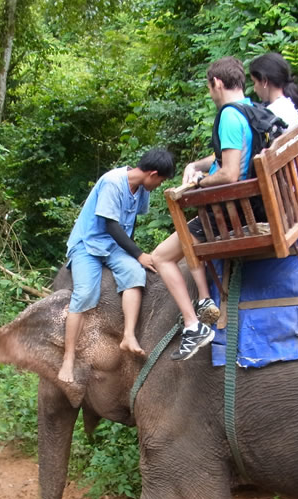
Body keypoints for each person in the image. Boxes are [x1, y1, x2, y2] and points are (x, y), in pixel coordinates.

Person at [151, 56, 255, 361]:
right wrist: (197, 165)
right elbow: (226, 155)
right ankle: (204, 299)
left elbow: (230, 172)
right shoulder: (249, 110)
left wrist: (195, 185)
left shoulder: (227, 116)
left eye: (210, 88)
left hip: (229, 211)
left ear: (217, 84)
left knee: (161, 257)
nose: (210, 94)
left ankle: (194, 325)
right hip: (245, 202)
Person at [58, 148, 175, 383]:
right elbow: (111, 224)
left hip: (113, 247)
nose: (159, 185)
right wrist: (139, 253)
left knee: (134, 274)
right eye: (160, 180)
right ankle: (68, 360)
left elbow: (130, 223)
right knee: (85, 294)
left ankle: (128, 336)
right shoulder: (113, 182)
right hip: (88, 245)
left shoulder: (141, 188)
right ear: (152, 174)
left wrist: (132, 258)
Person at [249, 52, 298, 127]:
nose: (254, 89)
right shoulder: (295, 105)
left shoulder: (272, 113)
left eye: (254, 82)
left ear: (265, 81)